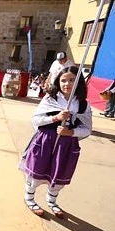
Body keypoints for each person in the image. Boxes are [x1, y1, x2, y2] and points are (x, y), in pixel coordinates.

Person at [21, 66, 92, 218]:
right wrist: (56, 118)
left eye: (71, 80)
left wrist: (71, 132)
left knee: (59, 173)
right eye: (63, 80)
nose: (67, 84)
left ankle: (51, 200)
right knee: (37, 170)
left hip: (66, 145)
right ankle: (29, 198)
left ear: (78, 82)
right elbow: (35, 120)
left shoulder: (83, 105)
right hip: (45, 141)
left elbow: (87, 129)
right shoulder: (50, 99)